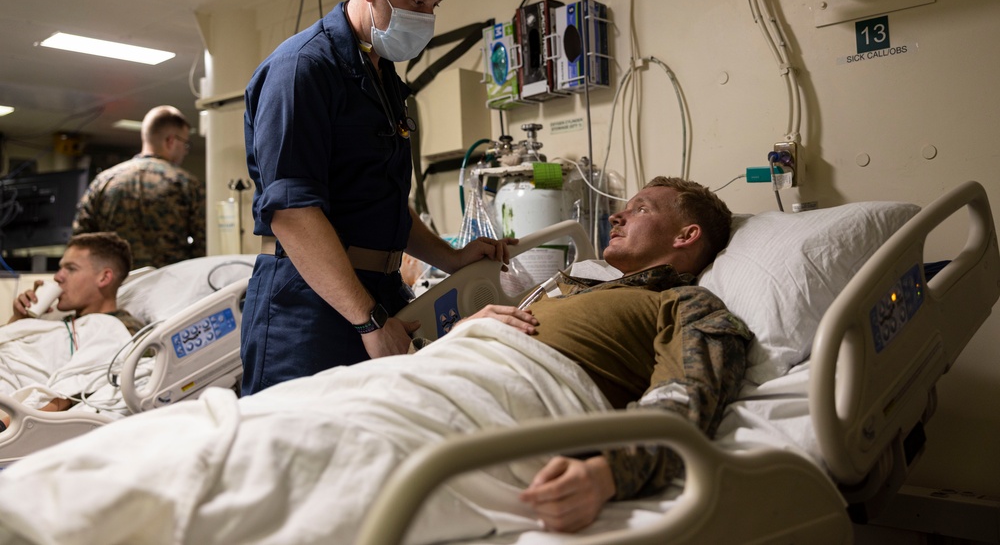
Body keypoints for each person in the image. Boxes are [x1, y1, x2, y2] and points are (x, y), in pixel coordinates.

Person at [0, 177, 753, 544]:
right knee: (220, 422)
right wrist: (466, 331)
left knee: (275, 454)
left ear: (687, 239)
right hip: (435, 370)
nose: (618, 211)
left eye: (644, 206)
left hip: (512, 398)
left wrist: (609, 470)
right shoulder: (567, 284)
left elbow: (687, 398)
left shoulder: (686, 306)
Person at [242, 0, 515, 395]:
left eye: (434, 5)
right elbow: (292, 212)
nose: (427, 17)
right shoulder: (303, 69)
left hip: (378, 291)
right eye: (417, 1)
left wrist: (451, 259)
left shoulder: (382, 77)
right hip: (311, 306)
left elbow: (381, 201)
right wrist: (368, 321)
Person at [1, 232, 138, 427]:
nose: (57, 277)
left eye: (70, 269)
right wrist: (20, 321)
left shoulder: (122, 330)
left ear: (104, 277)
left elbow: (80, 382)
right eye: (59, 268)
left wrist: (8, 425)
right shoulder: (57, 320)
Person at [73, 105, 206, 269]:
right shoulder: (187, 184)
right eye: (185, 144)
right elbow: (203, 244)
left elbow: (80, 243)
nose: (185, 151)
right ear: (171, 141)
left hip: (116, 286)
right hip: (171, 286)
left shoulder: (103, 182)